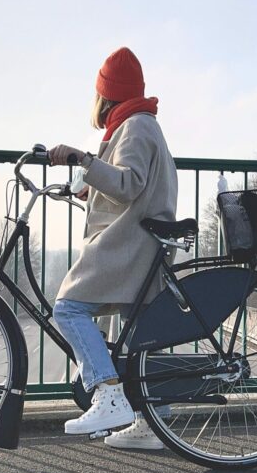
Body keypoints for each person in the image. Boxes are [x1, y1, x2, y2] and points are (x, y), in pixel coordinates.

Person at [49, 47, 178, 449]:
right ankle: (152, 421)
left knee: (68, 308)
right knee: (138, 336)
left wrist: (81, 158)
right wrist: (90, 188)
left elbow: (129, 183)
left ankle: (108, 395)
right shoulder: (140, 122)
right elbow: (127, 185)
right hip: (141, 242)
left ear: (106, 95)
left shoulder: (136, 125)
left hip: (129, 245)